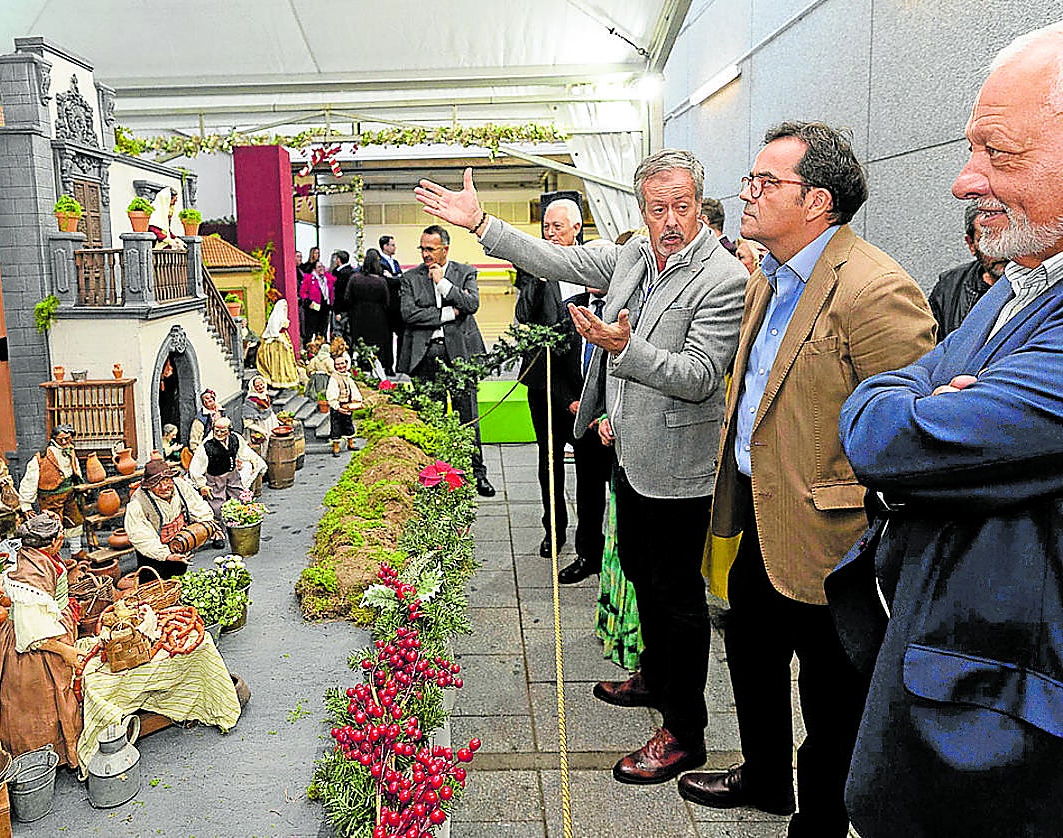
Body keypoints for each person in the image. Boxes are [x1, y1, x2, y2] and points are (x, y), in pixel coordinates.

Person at [416, 150, 747, 786]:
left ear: (700, 204)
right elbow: (555, 260)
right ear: (640, 210)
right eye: (657, 208)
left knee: (677, 599)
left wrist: (627, 349)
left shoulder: (723, 277)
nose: (670, 220)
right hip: (630, 451)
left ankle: (686, 732)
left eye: (681, 207)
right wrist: (481, 223)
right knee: (642, 576)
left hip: (678, 466)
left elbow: (701, 376)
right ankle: (655, 677)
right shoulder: (633, 255)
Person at [833, 25, 1063, 838]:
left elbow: (888, 440)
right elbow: (881, 405)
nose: (966, 180)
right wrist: (918, 396)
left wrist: (913, 402)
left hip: (1004, 730)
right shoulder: (1024, 281)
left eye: (998, 152)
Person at [676, 122, 936, 837]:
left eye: (766, 183)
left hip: (835, 542)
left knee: (833, 699)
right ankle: (765, 777)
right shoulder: (770, 276)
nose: (747, 193)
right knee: (750, 654)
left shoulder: (876, 289)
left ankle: (819, 821)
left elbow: (909, 435)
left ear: (817, 200)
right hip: (760, 518)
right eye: (750, 180)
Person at [0, 511, 83, 766]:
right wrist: (65, 651)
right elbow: (33, 633)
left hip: (50, 625)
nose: (62, 539)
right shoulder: (33, 574)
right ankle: (42, 756)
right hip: (36, 645)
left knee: (48, 696)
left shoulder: (37, 557)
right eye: (59, 536)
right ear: (52, 542)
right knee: (40, 702)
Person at [397, 224, 496, 497]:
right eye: (422, 248)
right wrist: (449, 314)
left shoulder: (465, 273)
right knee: (433, 419)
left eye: (430, 249)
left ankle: (477, 474)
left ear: (445, 249)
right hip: (426, 357)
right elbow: (409, 314)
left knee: (468, 418)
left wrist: (444, 284)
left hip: (461, 356)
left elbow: (471, 304)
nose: (425, 254)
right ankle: (437, 476)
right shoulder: (410, 278)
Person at [513, 198, 585, 558]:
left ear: (576, 228)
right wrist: (539, 279)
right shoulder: (532, 266)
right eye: (546, 227)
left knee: (589, 465)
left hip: (584, 382)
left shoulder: (591, 263)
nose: (550, 233)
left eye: (558, 226)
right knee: (549, 458)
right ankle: (553, 529)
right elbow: (524, 314)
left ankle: (590, 540)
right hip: (544, 381)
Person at [557, 282, 613, 584]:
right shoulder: (570, 309)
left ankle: (621, 561)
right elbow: (555, 364)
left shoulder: (627, 307)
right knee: (588, 493)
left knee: (623, 497)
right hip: (582, 421)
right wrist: (570, 401)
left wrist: (605, 412)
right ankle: (588, 555)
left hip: (615, 423)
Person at [926, 200, 1007, 340]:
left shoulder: (1038, 283)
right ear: (971, 244)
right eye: (988, 239)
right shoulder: (949, 287)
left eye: (1005, 237)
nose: (1000, 250)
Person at [123, 459, 216, 579]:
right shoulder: (138, 502)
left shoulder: (180, 485)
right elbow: (141, 535)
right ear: (149, 485)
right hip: (153, 552)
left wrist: (209, 524)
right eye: (157, 484)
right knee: (154, 583)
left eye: (167, 480)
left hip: (179, 544)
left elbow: (197, 505)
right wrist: (165, 555)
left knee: (179, 577)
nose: (164, 487)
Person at [18, 424, 85, 560]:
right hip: (50, 498)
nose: (64, 442)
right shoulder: (41, 458)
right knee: (52, 527)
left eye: (67, 438)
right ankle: (53, 556)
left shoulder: (70, 451)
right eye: (61, 439)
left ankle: (76, 551)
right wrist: (26, 504)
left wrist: (79, 483)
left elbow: (75, 469)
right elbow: (30, 480)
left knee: (74, 521)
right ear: (54, 438)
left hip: (69, 494)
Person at [189, 417, 264, 515]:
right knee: (217, 504)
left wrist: (253, 460)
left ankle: (238, 519)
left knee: (239, 497)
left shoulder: (235, 438)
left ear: (229, 430)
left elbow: (245, 451)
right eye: (216, 431)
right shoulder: (207, 446)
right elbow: (196, 467)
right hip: (216, 478)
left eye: (223, 431)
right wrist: (201, 485)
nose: (219, 434)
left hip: (233, 475)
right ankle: (220, 522)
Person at [346, 249, 393, 373]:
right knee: (377, 343)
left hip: (358, 315)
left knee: (360, 342)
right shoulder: (381, 281)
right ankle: (377, 367)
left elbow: (347, 298)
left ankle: (360, 367)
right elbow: (387, 301)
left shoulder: (354, 279)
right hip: (378, 316)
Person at [325, 343, 363, 457]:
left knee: (348, 425)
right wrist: (337, 407)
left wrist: (357, 400)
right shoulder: (334, 378)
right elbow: (331, 395)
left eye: (342, 363)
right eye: (338, 364)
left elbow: (353, 389)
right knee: (336, 426)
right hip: (338, 406)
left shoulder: (347, 376)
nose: (341, 366)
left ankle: (350, 443)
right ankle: (336, 447)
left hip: (347, 404)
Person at [255, 299, 302, 389]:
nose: (285, 308)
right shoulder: (275, 317)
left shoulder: (283, 316)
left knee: (285, 361)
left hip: (283, 337)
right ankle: (277, 380)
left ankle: (286, 380)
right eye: (283, 306)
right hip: (276, 341)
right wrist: (282, 341)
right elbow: (274, 331)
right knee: (277, 361)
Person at [380, 235, 404, 372]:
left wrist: (395, 278)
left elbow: (401, 279)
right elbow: (388, 281)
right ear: (385, 247)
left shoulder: (395, 262)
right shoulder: (380, 263)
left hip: (397, 304)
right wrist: (396, 278)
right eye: (392, 245)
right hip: (387, 304)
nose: (395, 247)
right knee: (387, 337)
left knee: (402, 334)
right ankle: (388, 365)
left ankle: (401, 365)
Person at [299, 261, 332, 343]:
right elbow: (303, 292)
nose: (321, 268)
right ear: (314, 269)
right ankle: (308, 346)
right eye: (319, 267)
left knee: (322, 330)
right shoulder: (309, 278)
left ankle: (321, 345)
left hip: (325, 307)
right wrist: (308, 302)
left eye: (322, 266)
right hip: (313, 307)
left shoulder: (327, 278)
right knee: (310, 330)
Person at [330, 250, 354, 339]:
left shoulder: (341, 274)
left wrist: (337, 311)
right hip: (350, 308)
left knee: (338, 332)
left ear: (338, 260)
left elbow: (339, 293)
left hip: (341, 308)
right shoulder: (352, 272)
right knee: (348, 332)